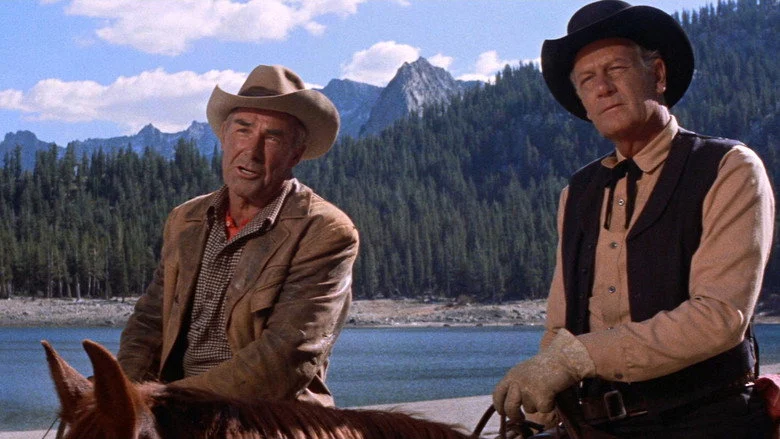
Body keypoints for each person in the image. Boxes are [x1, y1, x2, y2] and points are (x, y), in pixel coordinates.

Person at [492, 1, 775, 437]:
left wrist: (577, 358)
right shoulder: (577, 193)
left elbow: (720, 316)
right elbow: (560, 325)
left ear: (658, 75)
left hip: (705, 421)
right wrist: (537, 412)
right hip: (594, 427)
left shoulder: (728, 167)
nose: (602, 88)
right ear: (583, 101)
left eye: (616, 69)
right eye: (587, 79)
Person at [116, 65, 359, 407]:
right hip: (169, 407)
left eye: (272, 137)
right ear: (223, 137)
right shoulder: (185, 219)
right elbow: (149, 323)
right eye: (243, 130)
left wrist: (167, 399)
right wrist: (123, 394)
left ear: (296, 153)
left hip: (269, 413)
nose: (252, 151)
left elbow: (285, 359)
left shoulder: (324, 230)